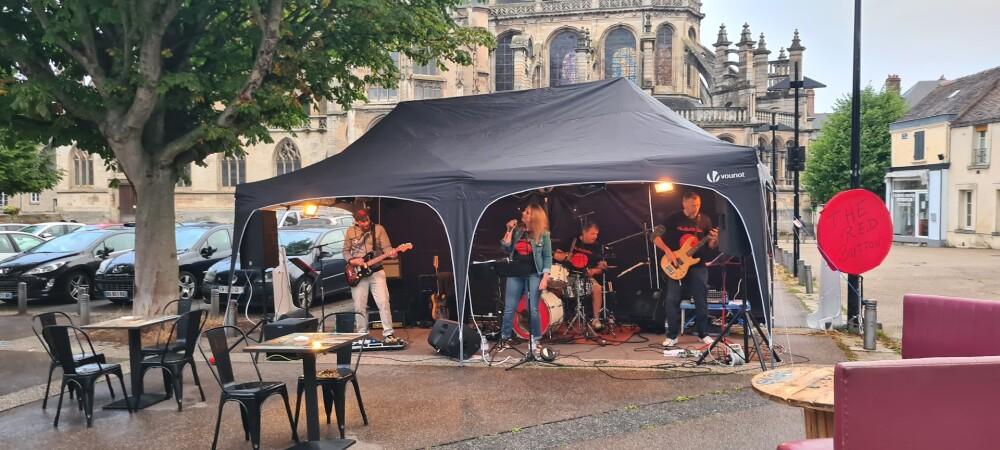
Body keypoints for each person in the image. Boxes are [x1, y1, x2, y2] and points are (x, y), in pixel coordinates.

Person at [653, 191, 719, 347]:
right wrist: (668, 251)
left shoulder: (705, 220)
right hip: (676, 264)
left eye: (697, 205)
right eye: (692, 205)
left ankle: (703, 333)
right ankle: (672, 335)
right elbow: (654, 236)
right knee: (671, 300)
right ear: (684, 204)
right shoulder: (673, 218)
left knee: (701, 300)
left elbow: (710, 246)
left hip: (698, 265)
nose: (695, 208)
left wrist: (714, 240)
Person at [499, 203, 553, 357]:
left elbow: (547, 257)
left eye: (527, 212)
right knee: (509, 307)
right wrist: (508, 230)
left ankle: (535, 339)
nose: (523, 212)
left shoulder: (544, 234)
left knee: (532, 309)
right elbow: (505, 248)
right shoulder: (518, 231)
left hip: (533, 274)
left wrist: (545, 277)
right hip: (515, 273)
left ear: (534, 216)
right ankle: (505, 338)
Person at [343, 208, 402, 345]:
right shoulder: (350, 231)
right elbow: (345, 251)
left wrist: (392, 253)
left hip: (376, 270)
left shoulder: (379, 229)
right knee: (359, 305)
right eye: (362, 222)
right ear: (356, 222)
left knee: (383, 302)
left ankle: (388, 334)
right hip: (357, 272)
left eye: (367, 220)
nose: (365, 223)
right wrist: (352, 261)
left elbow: (387, 248)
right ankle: (361, 335)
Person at [554, 222, 608, 331]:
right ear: (584, 232)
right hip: (567, 274)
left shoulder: (597, 247)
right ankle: (557, 320)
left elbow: (601, 268)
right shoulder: (571, 241)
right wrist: (564, 256)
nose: (595, 236)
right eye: (592, 234)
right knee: (555, 289)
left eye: (596, 234)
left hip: (585, 276)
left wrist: (594, 270)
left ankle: (596, 319)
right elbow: (555, 255)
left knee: (597, 288)